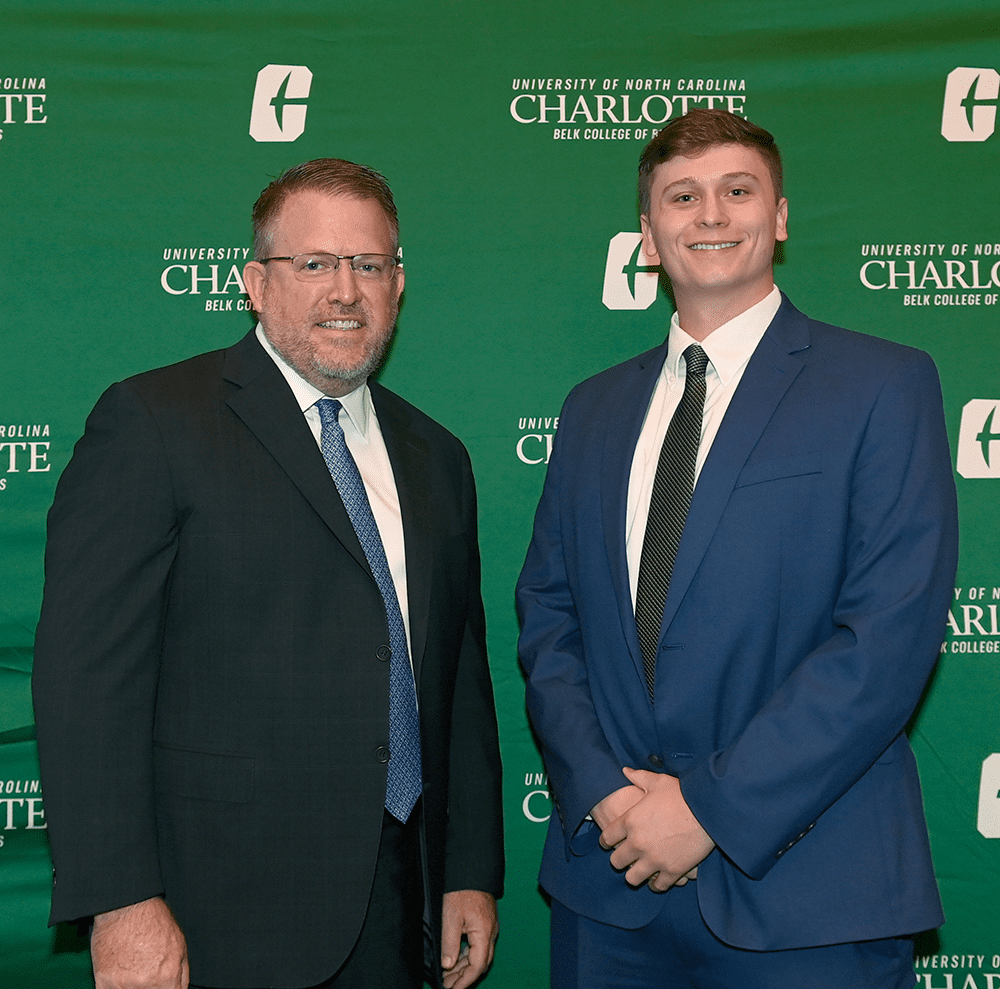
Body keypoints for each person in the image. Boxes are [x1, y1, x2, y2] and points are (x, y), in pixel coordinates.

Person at [32, 158, 503, 989]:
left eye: (369, 265)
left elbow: (458, 679)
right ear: (255, 282)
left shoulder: (438, 456)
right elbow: (86, 682)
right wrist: (122, 901)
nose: (345, 291)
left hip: (403, 903)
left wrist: (466, 867)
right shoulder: (152, 423)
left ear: (399, 284)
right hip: (214, 912)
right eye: (313, 264)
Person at [516, 108, 957, 988]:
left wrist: (709, 811)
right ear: (648, 236)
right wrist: (607, 793)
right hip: (609, 888)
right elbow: (550, 618)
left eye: (737, 190)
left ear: (781, 217)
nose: (710, 214)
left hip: (809, 894)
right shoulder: (591, 410)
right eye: (682, 197)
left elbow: (888, 637)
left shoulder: (882, 385)